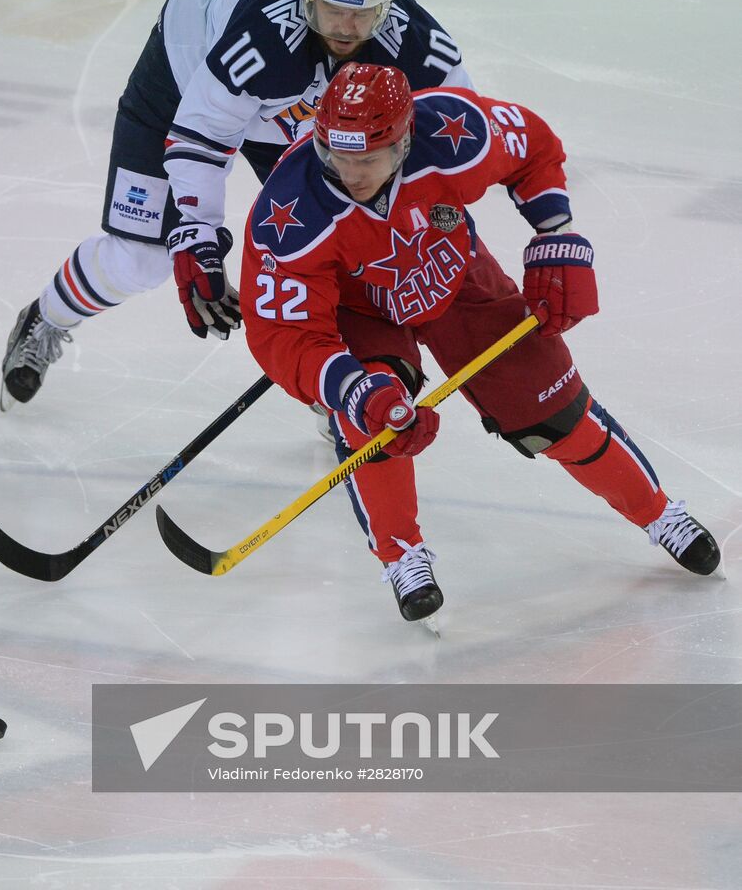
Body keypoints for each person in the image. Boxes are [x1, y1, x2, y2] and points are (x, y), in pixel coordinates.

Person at [239, 62, 721, 624]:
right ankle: (402, 557)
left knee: (553, 418)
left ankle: (659, 513)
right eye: (337, 157)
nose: (350, 174)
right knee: (377, 419)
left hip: (454, 273)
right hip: (360, 307)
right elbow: (284, 333)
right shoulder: (287, 215)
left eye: (367, 158)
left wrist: (556, 235)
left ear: (403, 142)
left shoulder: (450, 130)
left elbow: (533, 145)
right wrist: (353, 389)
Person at [0, 0, 472, 411]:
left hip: (298, 111)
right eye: (331, 9)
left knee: (345, 243)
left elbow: (467, 131)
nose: (344, 28)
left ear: (386, 7)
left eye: (360, 14)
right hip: (187, 76)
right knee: (142, 259)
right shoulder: (264, 42)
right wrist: (198, 236)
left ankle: (336, 382)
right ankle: (48, 316)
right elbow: (201, 137)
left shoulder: (416, 43)